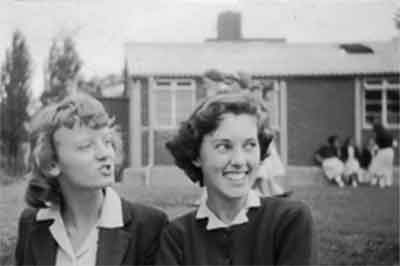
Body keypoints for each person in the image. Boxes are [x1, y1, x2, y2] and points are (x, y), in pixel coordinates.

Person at [157, 92, 316, 265]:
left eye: (250, 145)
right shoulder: (177, 236)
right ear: (196, 155)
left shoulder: (289, 220)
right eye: (224, 146)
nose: (239, 161)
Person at [15, 93, 168, 266]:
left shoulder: (150, 226)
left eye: (107, 141)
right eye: (86, 146)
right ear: (52, 164)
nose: (105, 154)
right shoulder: (31, 224)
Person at [369, 122, 394, 188]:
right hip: (390, 151)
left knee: (379, 167)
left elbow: (377, 146)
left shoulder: (379, 134)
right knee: (388, 168)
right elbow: (393, 143)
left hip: (383, 151)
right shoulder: (389, 133)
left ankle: (380, 183)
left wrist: (374, 153)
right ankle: (388, 183)